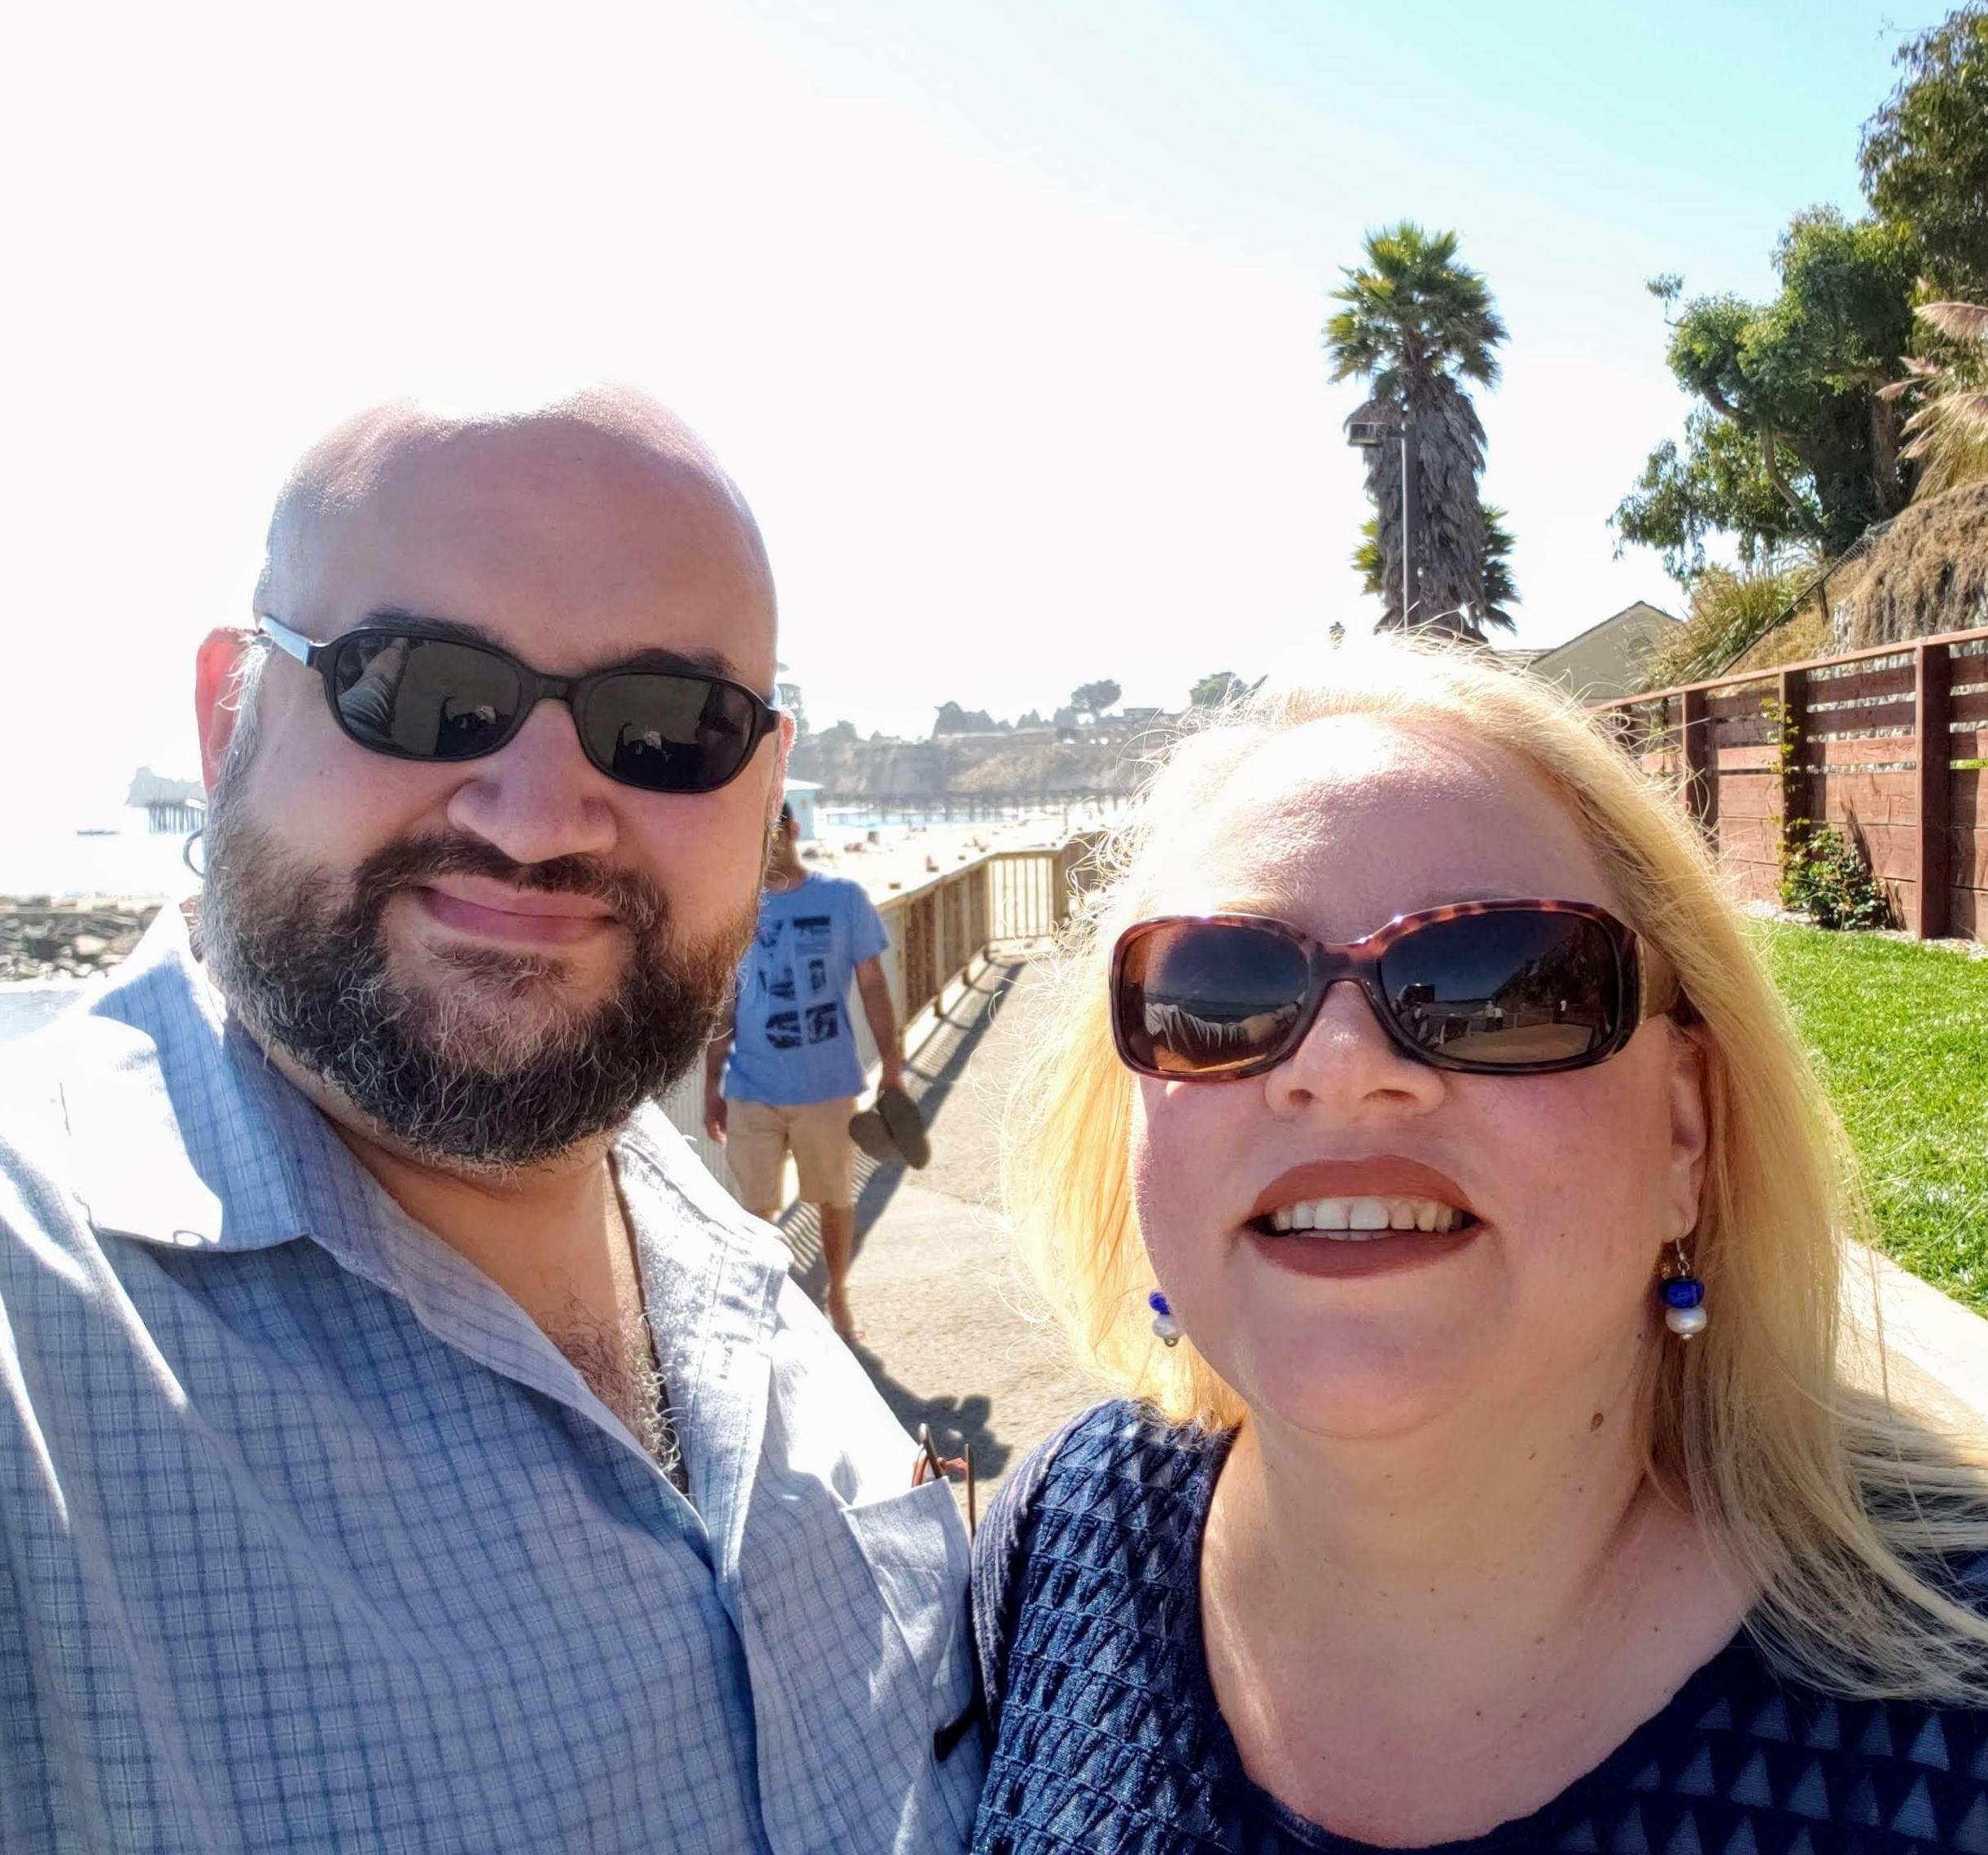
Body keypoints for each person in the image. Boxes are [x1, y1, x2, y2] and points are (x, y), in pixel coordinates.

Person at [0, 392, 982, 1855]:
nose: (535, 818)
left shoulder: (732, 1269)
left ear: (763, 783)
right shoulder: (44, 1325)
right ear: (229, 716)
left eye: (666, 727)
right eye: (417, 688)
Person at [971, 643, 1988, 1855]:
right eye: (1222, 990)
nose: (1338, 1067)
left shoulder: (1950, 1720)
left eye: (1494, 981)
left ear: (1683, 1128)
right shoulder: (1061, 1537)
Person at [704, 799, 903, 1342]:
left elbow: (874, 987)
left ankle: (836, 1292)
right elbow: (725, 1007)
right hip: (751, 1087)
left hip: (827, 1087)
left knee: (833, 1197)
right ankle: (765, 1313)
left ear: (791, 829)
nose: (765, 843)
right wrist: (711, 1085)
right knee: (755, 1209)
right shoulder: (734, 911)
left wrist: (892, 1065)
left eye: (771, 830)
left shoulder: (842, 900)